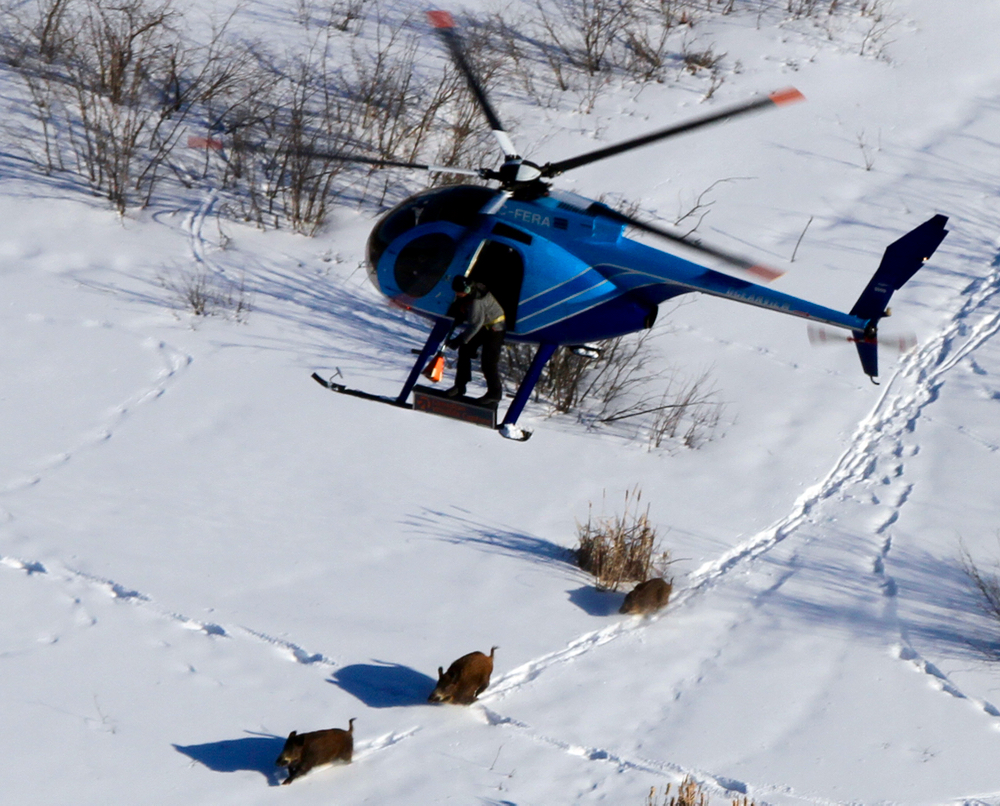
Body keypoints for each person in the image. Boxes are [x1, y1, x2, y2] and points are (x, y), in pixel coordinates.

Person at [444, 275, 506, 403]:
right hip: (483, 325)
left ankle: (494, 393)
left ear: (466, 289)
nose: (457, 293)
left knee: (488, 362)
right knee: (464, 351)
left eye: (459, 291)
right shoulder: (470, 292)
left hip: (495, 328)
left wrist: (459, 340)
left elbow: (475, 324)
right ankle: (460, 386)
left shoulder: (476, 300)